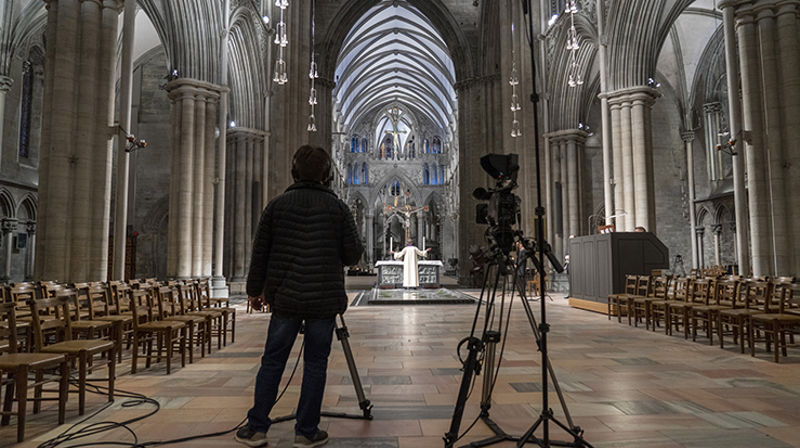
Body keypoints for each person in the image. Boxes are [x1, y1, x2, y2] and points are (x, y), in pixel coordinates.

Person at [236, 146, 363, 448]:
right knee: (316, 364)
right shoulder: (338, 208)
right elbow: (353, 255)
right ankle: (306, 431)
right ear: (328, 175)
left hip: (286, 299)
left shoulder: (277, 206)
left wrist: (254, 291)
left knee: (273, 362)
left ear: (294, 173)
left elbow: (260, 254)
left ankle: (256, 429)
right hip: (323, 301)